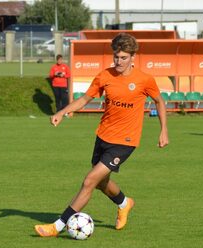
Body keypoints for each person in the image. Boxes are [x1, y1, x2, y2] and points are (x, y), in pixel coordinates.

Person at [35, 33, 169, 237]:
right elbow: (84, 100)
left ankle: (58, 226)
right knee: (101, 183)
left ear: (133, 57)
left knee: (89, 180)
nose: (119, 61)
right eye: (116, 56)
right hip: (104, 136)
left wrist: (163, 130)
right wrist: (62, 112)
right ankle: (124, 203)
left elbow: (160, 101)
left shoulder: (144, 80)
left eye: (124, 57)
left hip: (125, 141)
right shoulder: (105, 76)